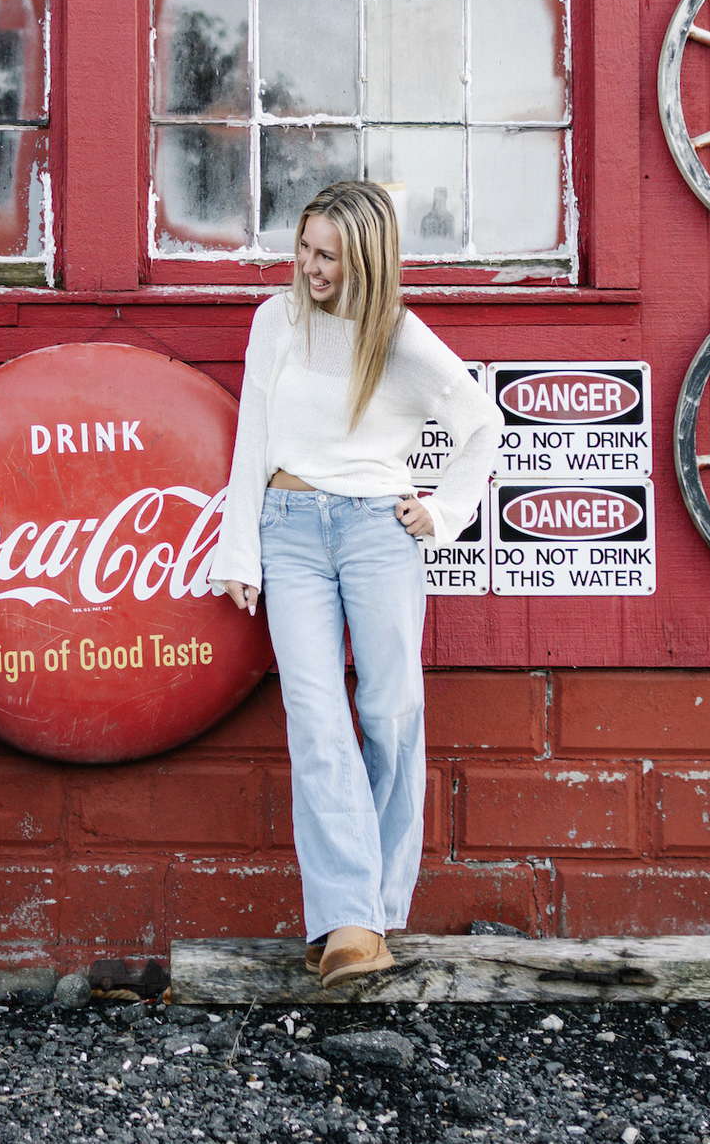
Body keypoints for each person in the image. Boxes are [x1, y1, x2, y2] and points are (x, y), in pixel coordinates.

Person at [208, 179, 498, 987]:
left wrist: (441, 513)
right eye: (302, 249)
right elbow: (252, 438)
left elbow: (482, 425)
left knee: (390, 709)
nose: (307, 267)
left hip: (378, 532)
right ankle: (348, 918)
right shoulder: (276, 322)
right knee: (315, 716)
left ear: (367, 258)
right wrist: (239, 552)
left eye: (326, 254)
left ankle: (371, 907)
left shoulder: (400, 337)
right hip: (289, 528)